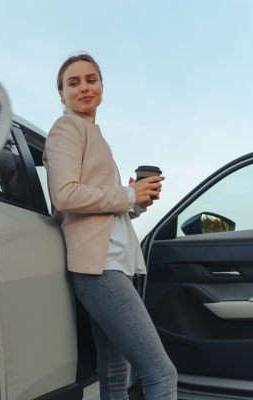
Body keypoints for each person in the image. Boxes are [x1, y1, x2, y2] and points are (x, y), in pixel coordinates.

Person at [42, 53, 177, 399]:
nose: (84, 87)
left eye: (91, 79)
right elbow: (65, 196)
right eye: (73, 83)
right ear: (61, 95)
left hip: (112, 265)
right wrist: (127, 193)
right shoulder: (67, 127)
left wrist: (136, 202)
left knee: (115, 376)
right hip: (99, 268)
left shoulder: (94, 135)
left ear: (102, 87)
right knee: (161, 373)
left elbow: (105, 207)